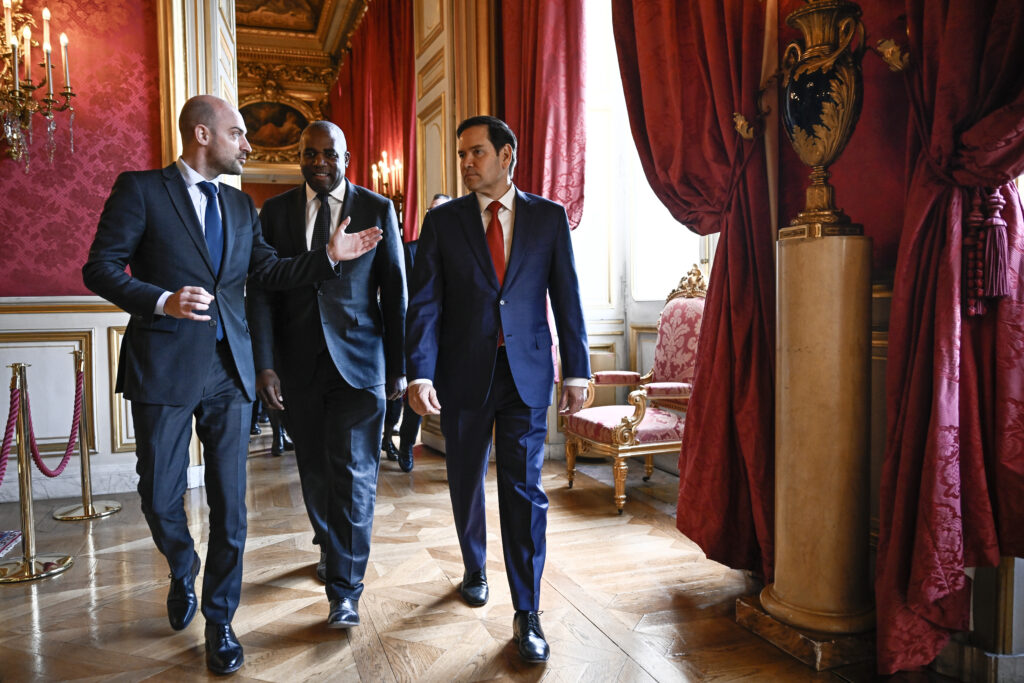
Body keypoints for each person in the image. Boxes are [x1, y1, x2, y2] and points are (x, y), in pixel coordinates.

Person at [81, 95, 381, 675]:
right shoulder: (141, 190)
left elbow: (269, 271)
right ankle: (182, 566)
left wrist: (327, 256)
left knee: (231, 507)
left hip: (230, 372)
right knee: (159, 496)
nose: (248, 144)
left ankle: (220, 619)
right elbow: (101, 267)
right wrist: (161, 300)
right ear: (202, 135)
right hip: (164, 367)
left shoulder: (242, 206)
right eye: (238, 133)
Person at [406, 116, 589, 663]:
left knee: (524, 491)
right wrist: (420, 372)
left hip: (526, 375)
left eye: (477, 152)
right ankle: (473, 565)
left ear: (506, 154)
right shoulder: (444, 222)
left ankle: (527, 611)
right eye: (462, 154)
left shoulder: (548, 217)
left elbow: (567, 296)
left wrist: (577, 371)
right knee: (465, 479)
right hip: (462, 374)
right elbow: (426, 303)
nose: (466, 162)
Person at [246, 120, 406, 629]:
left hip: (360, 364)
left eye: (330, 154)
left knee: (355, 473)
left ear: (347, 158)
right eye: (310, 153)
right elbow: (261, 292)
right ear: (299, 157)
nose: (320, 162)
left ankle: (344, 590)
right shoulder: (275, 213)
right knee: (314, 471)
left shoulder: (376, 208)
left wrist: (399, 367)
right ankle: (331, 545)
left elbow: (395, 292)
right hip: (297, 366)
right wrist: (265, 365)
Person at [382, 192, 451, 472]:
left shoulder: (462, 250)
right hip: (417, 335)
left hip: (452, 338)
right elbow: (399, 295)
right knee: (413, 394)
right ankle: (406, 446)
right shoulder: (410, 250)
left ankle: (456, 454)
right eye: (432, 211)